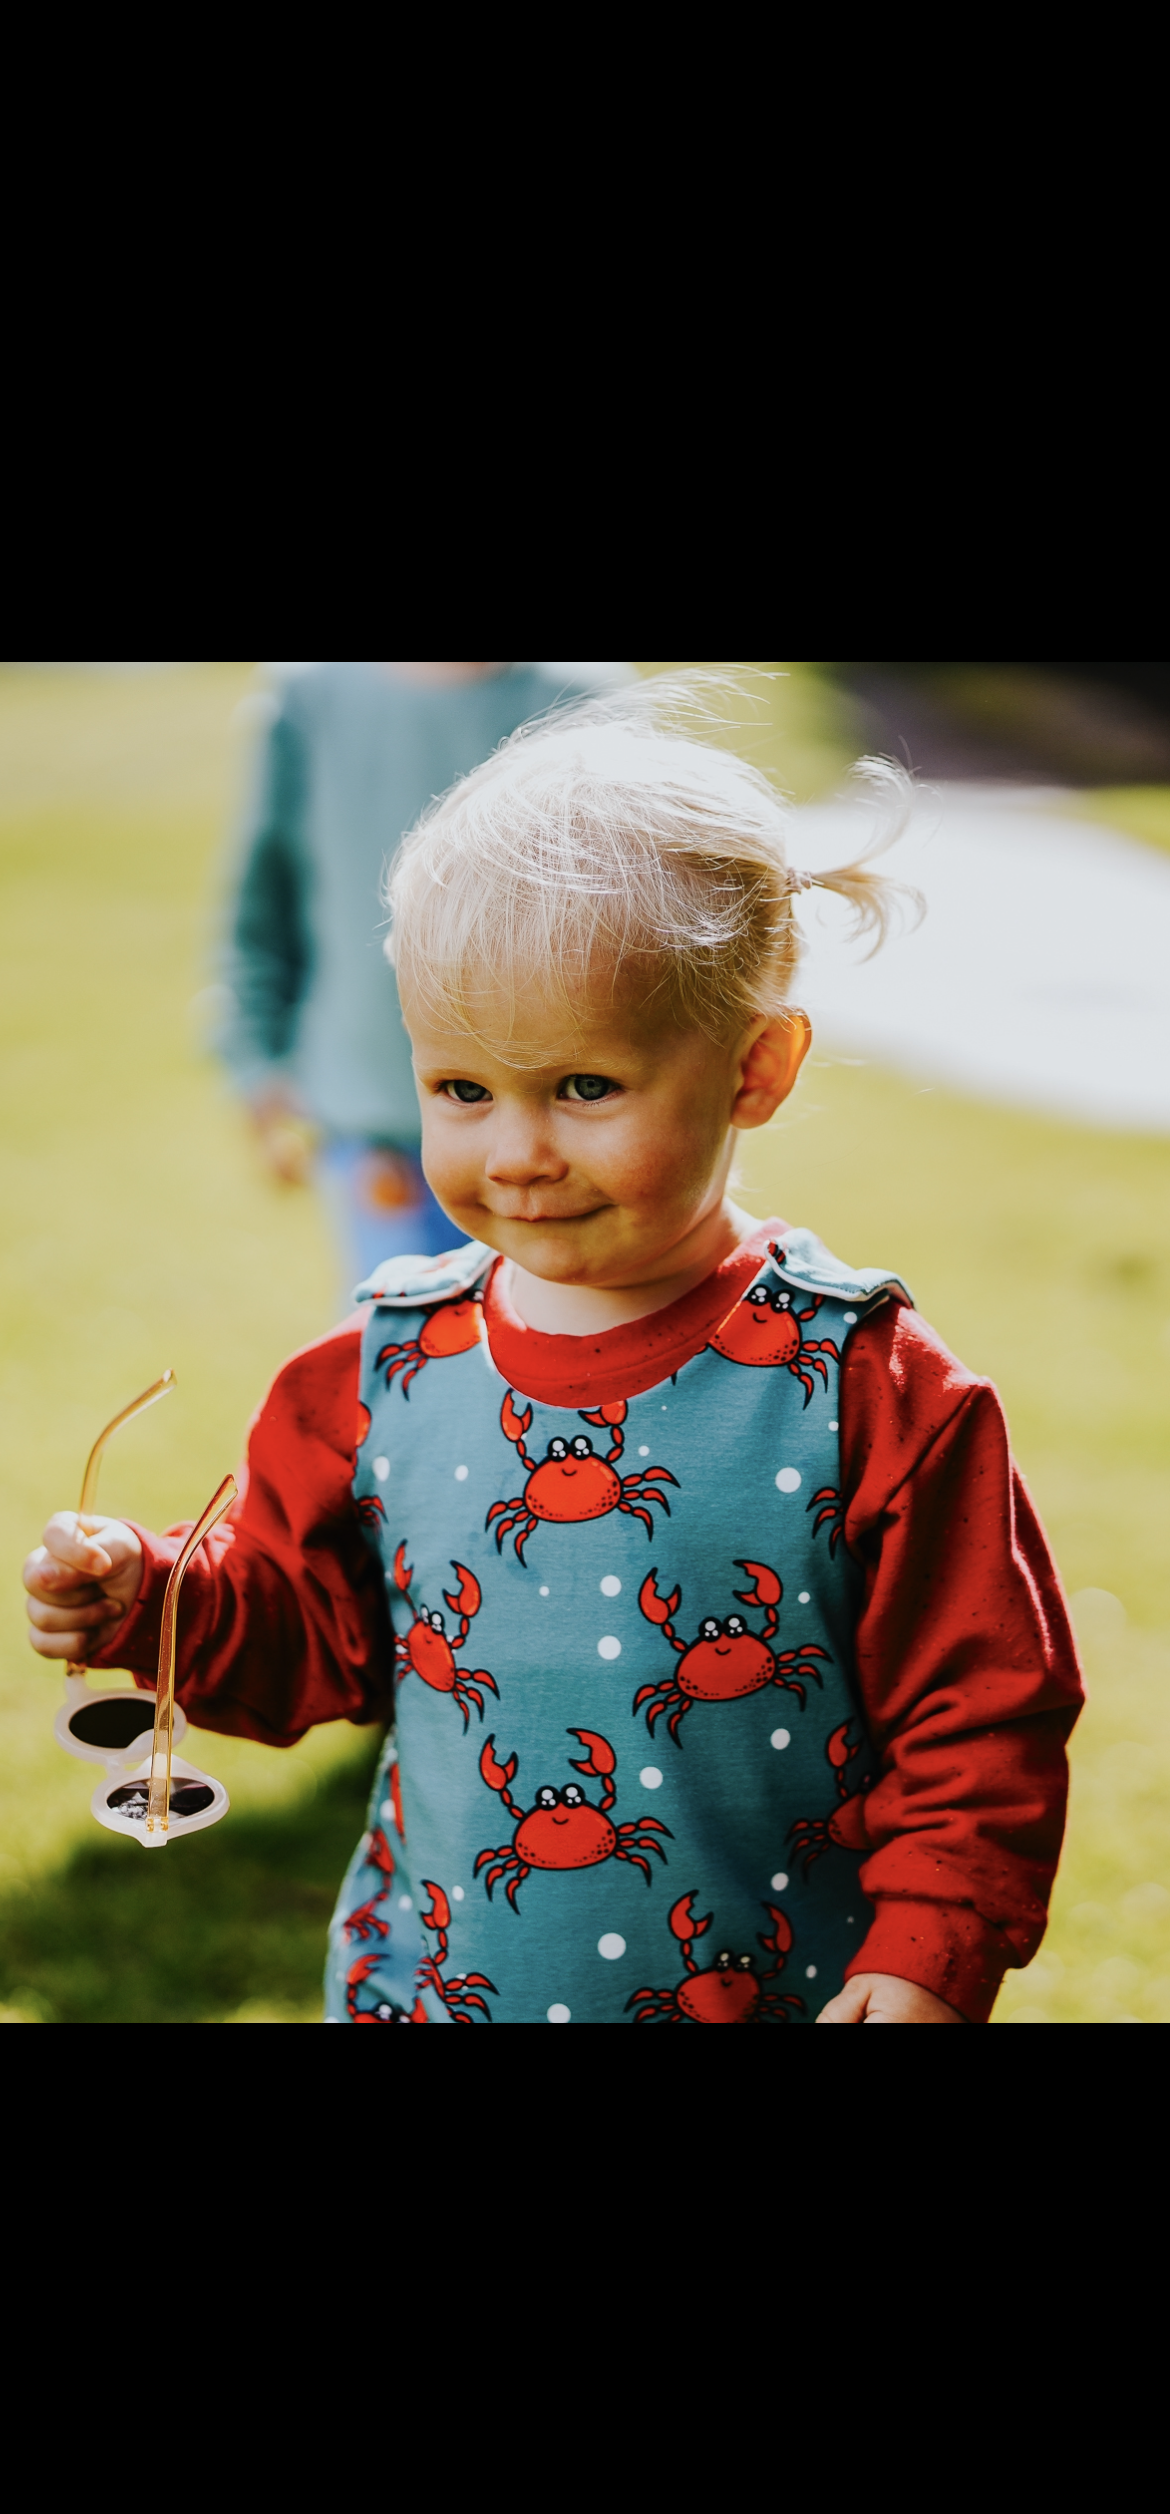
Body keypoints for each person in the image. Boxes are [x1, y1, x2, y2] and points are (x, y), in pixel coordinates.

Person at [25, 684, 1084, 2023]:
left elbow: (980, 1709)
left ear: (755, 1068)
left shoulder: (860, 1386)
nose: (516, 1153)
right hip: (433, 1992)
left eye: (584, 1087)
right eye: (461, 1090)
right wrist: (153, 1600)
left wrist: (926, 1948)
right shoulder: (377, 1372)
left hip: (784, 1992)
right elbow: (316, 1638)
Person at [219, 662, 614, 1284]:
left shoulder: (580, 696)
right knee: (405, 1339)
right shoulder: (312, 696)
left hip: (552, 1129)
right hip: (374, 1119)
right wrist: (256, 1061)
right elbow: (264, 898)